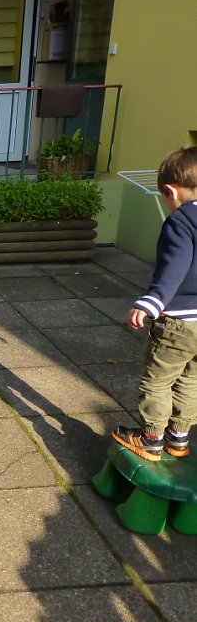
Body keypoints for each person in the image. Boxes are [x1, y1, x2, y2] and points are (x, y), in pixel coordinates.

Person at [113, 146, 197, 461]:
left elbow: (174, 267)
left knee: (158, 380)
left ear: (171, 191)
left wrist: (150, 301)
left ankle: (151, 439)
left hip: (179, 323)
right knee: (191, 379)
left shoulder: (182, 222)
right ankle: (178, 437)